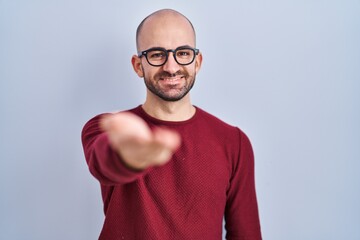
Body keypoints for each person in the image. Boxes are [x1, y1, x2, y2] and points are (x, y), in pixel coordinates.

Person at [81, 9, 262, 240]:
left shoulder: (234, 142)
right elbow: (103, 161)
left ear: (197, 62)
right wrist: (130, 156)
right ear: (138, 65)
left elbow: (247, 235)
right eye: (157, 54)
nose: (171, 66)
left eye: (183, 53)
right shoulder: (107, 127)